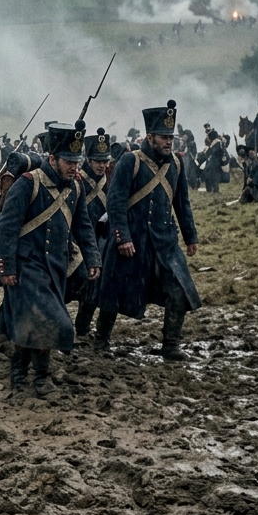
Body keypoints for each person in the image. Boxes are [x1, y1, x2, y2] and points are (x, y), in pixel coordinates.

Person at [0, 120, 102, 398]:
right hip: (26, 266)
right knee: (51, 321)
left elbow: (83, 226)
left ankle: (19, 372)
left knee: (32, 323)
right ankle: (40, 377)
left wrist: (93, 258)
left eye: (76, 162)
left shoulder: (75, 187)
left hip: (55, 267)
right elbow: (6, 227)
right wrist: (6, 267)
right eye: (68, 161)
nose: (74, 167)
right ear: (52, 159)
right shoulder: (28, 184)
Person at [96, 100, 200, 362]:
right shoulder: (130, 161)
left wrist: (190, 237)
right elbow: (115, 202)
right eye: (164, 137)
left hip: (165, 242)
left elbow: (182, 203)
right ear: (150, 137)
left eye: (171, 137)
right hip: (133, 240)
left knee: (179, 290)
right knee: (113, 291)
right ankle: (101, 339)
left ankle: (171, 344)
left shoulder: (176, 164)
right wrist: (122, 237)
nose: (169, 142)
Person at [71, 128, 113, 337]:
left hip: (102, 241)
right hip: (77, 240)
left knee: (96, 287)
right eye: (98, 161)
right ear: (88, 160)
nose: (102, 165)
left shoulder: (109, 182)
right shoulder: (77, 181)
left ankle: (83, 327)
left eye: (105, 161)